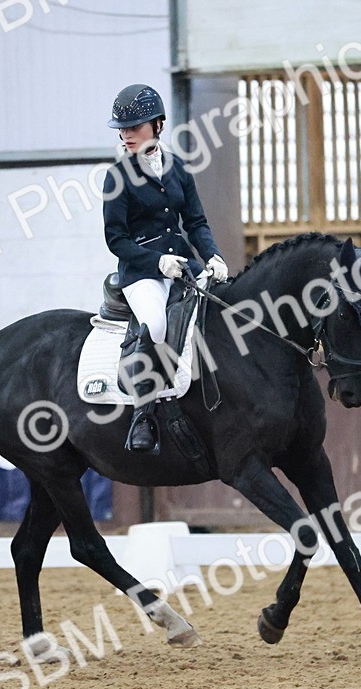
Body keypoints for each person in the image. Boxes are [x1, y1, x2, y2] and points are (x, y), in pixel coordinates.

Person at [101, 84, 228, 453]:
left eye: (134, 127)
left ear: (157, 125)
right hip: (142, 273)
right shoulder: (117, 177)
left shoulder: (178, 169)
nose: (126, 135)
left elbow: (196, 222)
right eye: (122, 129)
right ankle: (142, 415)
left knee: (220, 308)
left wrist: (213, 257)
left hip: (183, 265)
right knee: (156, 324)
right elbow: (116, 239)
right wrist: (156, 262)